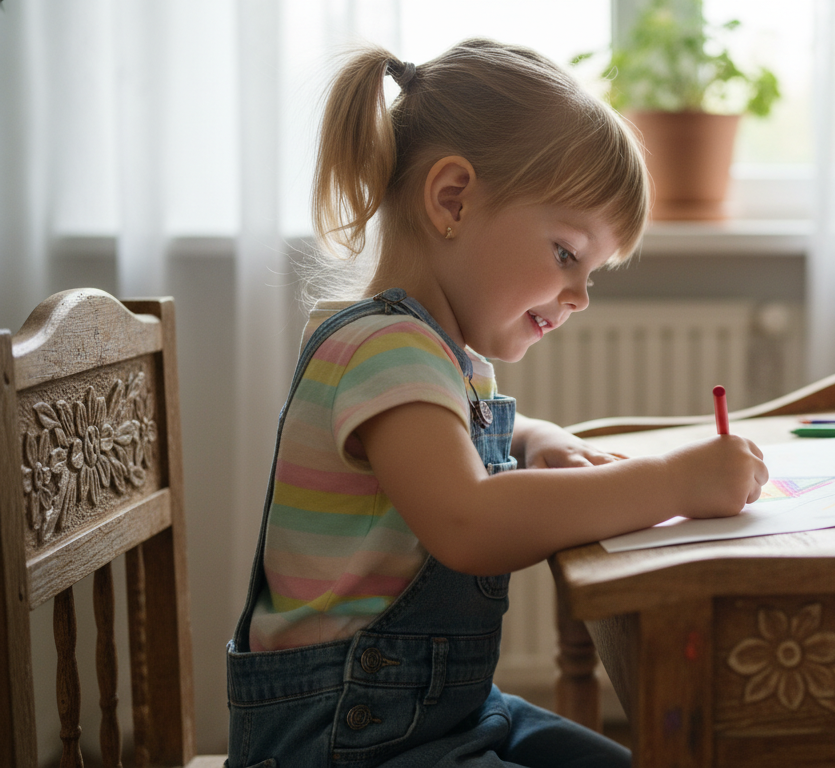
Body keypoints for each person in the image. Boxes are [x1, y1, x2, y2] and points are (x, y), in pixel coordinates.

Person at [225, 39, 768, 768]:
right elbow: (468, 524)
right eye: (566, 253)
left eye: (592, 271)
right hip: (347, 741)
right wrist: (673, 484)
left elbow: (455, 450)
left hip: (432, 714)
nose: (578, 297)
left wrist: (534, 437)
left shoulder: (434, 354)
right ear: (453, 199)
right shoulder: (387, 351)